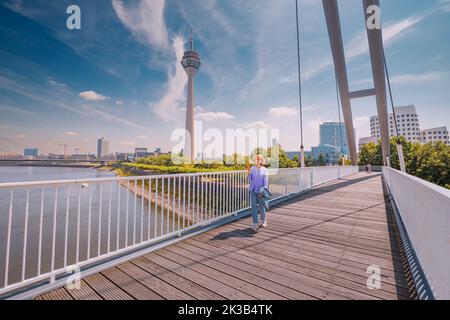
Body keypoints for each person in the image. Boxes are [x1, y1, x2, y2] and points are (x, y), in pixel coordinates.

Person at [247, 154, 269, 232]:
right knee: (253, 207)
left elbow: (265, 183)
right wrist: (249, 173)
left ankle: (264, 220)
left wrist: (262, 190)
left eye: (259, 159)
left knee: (261, 206)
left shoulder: (265, 170)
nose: (257, 160)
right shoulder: (252, 168)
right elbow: (249, 179)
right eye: (256, 159)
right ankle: (255, 224)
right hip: (253, 190)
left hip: (261, 191)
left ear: (262, 161)